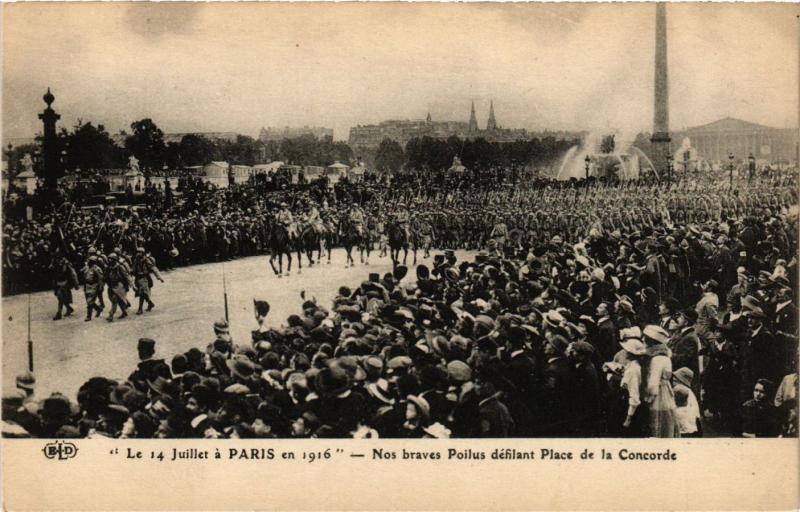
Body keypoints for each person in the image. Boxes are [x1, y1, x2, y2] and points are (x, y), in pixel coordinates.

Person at [643, 325, 680, 438]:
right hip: (665, 390)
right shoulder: (664, 356)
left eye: (645, 338)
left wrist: (648, 397)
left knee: (659, 420)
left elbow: (653, 382)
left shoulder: (657, 359)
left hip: (659, 393)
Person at [131, 247, 163, 315]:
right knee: (142, 293)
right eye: (137, 252)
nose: (138, 253)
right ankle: (150, 303)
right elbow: (133, 269)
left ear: (143, 253)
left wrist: (159, 277)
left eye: (140, 252)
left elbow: (153, 268)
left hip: (145, 278)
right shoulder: (136, 260)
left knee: (142, 292)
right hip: (138, 278)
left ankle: (140, 308)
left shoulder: (146, 260)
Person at [104, 253, 132, 322]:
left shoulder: (119, 267)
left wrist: (131, 284)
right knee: (119, 300)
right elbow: (105, 276)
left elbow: (126, 276)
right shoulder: (108, 267)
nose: (109, 260)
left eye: (111, 259)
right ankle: (124, 312)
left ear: (115, 260)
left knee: (114, 300)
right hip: (111, 285)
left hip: (119, 285)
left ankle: (111, 315)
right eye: (109, 258)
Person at [52, 255, 79, 320]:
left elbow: (73, 273)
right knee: (60, 298)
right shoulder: (54, 263)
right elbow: (54, 274)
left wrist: (76, 283)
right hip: (58, 282)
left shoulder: (66, 263)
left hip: (65, 282)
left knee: (60, 297)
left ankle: (59, 313)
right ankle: (69, 308)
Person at [82, 255, 105, 321]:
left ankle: (88, 316)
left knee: (90, 301)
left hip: (94, 285)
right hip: (87, 285)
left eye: (91, 261)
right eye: (89, 260)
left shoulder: (97, 269)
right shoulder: (86, 267)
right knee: (88, 301)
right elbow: (84, 276)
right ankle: (98, 308)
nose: (89, 262)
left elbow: (100, 278)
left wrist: (101, 287)